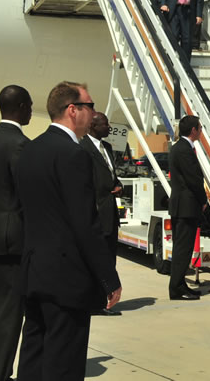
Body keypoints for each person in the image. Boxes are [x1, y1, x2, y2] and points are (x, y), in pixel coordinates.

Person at [16, 81, 121, 381]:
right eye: (90, 105)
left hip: (35, 270)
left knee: (34, 354)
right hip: (66, 277)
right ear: (72, 110)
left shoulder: (31, 150)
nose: (94, 112)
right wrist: (108, 277)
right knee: (64, 361)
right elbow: (85, 223)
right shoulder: (73, 155)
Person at [0, 85, 32, 381]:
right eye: (28, 106)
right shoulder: (20, 145)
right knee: (7, 315)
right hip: (10, 244)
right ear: (18, 107)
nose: (31, 110)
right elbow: (28, 196)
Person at [80, 112, 123, 316]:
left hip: (110, 213)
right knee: (95, 259)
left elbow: (111, 175)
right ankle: (93, 302)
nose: (108, 127)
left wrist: (118, 185)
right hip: (96, 212)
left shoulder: (107, 148)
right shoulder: (82, 148)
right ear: (93, 126)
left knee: (108, 259)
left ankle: (104, 299)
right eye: (104, 124)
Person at [168, 116, 207, 300]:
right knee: (183, 249)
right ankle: (176, 288)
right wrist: (203, 199)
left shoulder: (181, 147)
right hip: (186, 206)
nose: (201, 130)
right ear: (193, 130)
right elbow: (194, 179)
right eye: (200, 127)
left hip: (182, 206)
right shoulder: (184, 150)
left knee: (182, 248)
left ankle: (181, 284)